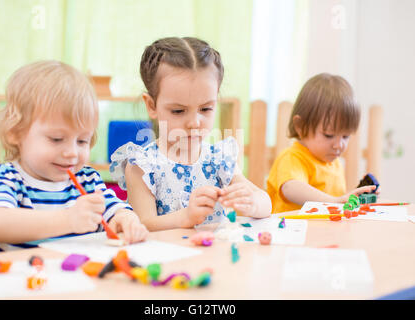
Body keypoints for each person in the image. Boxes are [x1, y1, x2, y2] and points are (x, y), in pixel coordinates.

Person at [0, 60, 148, 252]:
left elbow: (115, 210)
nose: (72, 152)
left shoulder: (87, 180)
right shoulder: (5, 177)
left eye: (82, 141)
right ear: (15, 133)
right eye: (57, 139)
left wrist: (126, 220)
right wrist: (68, 219)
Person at [110, 37, 272, 231]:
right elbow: (143, 224)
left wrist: (252, 204)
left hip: (214, 258)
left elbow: (266, 203)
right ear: (151, 105)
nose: (194, 122)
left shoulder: (219, 158)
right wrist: (186, 216)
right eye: (178, 111)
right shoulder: (143, 165)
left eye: (205, 109)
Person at [267, 73, 378, 213]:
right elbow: (291, 188)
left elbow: (334, 201)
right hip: (293, 232)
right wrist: (335, 201)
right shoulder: (293, 157)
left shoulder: (333, 162)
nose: (339, 145)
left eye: (346, 136)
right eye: (329, 135)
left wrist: (352, 198)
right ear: (300, 126)